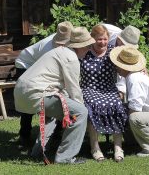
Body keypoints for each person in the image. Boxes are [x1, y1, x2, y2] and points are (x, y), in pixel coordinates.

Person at [14, 26, 95, 164]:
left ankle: (37, 151)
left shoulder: (60, 51)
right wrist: (82, 115)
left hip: (23, 93)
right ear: (79, 46)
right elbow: (74, 90)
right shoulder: (71, 58)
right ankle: (65, 157)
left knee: (52, 112)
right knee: (81, 112)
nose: (89, 49)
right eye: (88, 46)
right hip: (35, 94)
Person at [15, 21, 73, 145]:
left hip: (37, 64)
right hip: (25, 64)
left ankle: (56, 132)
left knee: (57, 95)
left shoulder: (66, 44)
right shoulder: (48, 48)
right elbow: (44, 71)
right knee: (29, 98)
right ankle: (24, 135)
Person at [80, 24, 128, 162]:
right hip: (89, 88)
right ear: (92, 39)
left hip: (109, 88)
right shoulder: (85, 52)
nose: (102, 42)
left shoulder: (113, 52)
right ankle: (95, 147)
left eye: (105, 39)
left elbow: (127, 66)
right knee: (92, 105)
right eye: (99, 39)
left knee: (117, 104)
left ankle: (118, 147)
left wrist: (122, 89)